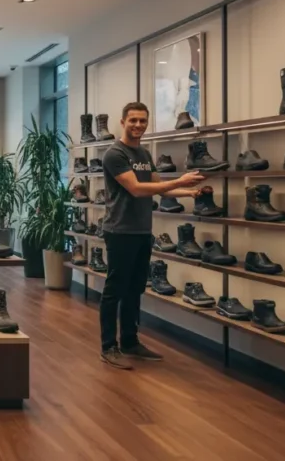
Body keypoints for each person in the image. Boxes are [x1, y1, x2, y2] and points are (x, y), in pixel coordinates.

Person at [99, 102, 204, 369]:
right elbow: (136, 189)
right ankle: (108, 346)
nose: (138, 125)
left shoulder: (144, 153)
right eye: (133, 120)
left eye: (142, 121)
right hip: (120, 231)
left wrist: (188, 193)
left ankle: (130, 342)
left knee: (135, 290)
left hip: (142, 231)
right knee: (115, 290)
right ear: (122, 122)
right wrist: (179, 181)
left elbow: (159, 189)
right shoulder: (114, 154)